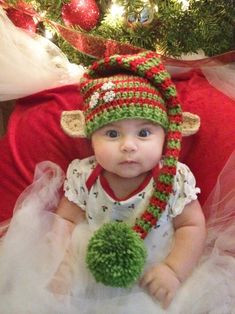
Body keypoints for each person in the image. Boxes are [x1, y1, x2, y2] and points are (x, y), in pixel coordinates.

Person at [0, 51, 235, 314]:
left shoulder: (174, 179)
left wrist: (174, 270)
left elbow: (191, 226)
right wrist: (62, 262)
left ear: (165, 136)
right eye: (112, 133)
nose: (128, 146)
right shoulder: (83, 175)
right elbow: (66, 220)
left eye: (144, 133)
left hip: (155, 270)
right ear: (90, 138)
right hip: (90, 266)